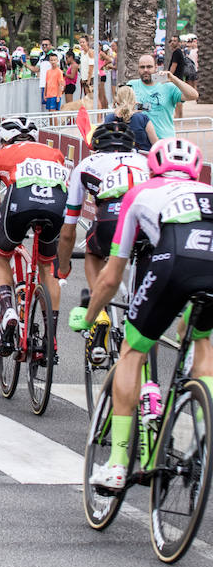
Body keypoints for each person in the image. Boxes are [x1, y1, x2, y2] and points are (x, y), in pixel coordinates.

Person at [69, 138, 213, 490]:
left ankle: (118, 464)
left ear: (153, 168)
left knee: (133, 350)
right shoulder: (207, 191)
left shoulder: (140, 192)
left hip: (173, 263)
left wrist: (90, 317)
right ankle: (202, 431)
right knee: (200, 339)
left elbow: (112, 276)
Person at [0, 116, 67, 356]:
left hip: (20, 202)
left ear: (3, 140)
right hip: (55, 205)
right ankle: (50, 337)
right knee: (46, 266)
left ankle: (9, 310)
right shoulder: (54, 153)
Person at [57, 121, 149, 297]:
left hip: (112, 220)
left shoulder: (87, 164)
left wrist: (62, 269)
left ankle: (98, 310)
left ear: (96, 146)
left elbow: (69, 230)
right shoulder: (145, 161)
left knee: (93, 251)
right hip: (147, 222)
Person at [127, 53, 198, 139]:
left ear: (156, 67)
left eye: (149, 67)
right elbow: (121, 108)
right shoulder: (131, 85)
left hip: (164, 141)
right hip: (140, 143)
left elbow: (193, 95)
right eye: (142, 67)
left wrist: (174, 79)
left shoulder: (168, 86)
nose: (145, 70)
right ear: (138, 68)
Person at [105, 85, 157, 151]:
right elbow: (155, 144)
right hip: (141, 157)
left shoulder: (109, 118)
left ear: (117, 101)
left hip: (116, 158)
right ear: (134, 100)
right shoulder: (142, 118)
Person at [29, 36, 53, 106]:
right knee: (45, 106)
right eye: (43, 45)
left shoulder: (54, 56)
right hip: (43, 85)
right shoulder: (42, 57)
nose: (44, 46)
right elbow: (36, 69)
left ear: (51, 46)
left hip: (51, 86)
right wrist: (25, 64)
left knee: (52, 108)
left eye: (46, 45)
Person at [168, 34, 186, 118]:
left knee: (177, 98)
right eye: (171, 41)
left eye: (174, 41)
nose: (172, 43)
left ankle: (178, 115)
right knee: (178, 98)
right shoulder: (179, 52)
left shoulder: (176, 52)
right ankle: (179, 115)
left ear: (178, 42)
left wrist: (169, 76)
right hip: (178, 78)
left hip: (176, 79)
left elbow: (173, 66)